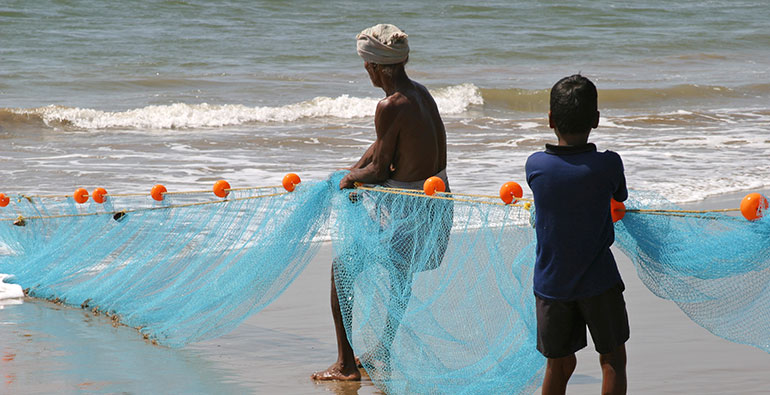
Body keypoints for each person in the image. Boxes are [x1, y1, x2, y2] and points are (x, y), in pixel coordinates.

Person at [311, 24, 449, 381]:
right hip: (434, 200)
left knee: (341, 271)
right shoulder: (420, 94)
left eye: (365, 65)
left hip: (407, 206)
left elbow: (378, 169)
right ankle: (383, 350)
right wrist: (355, 168)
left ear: (374, 67)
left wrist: (349, 179)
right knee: (398, 275)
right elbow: (382, 150)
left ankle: (345, 366)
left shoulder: (389, 105)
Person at [525, 74, 629, 395]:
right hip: (598, 281)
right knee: (612, 359)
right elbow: (620, 197)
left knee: (560, 364)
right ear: (596, 120)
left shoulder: (536, 166)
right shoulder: (608, 165)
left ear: (551, 120)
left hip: (552, 285)